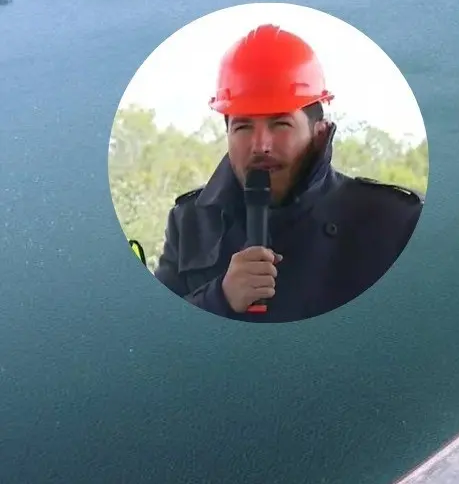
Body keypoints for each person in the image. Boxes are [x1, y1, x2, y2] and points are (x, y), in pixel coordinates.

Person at [153, 23, 424, 322]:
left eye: (280, 124)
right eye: (243, 126)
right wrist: (219, 299)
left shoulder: (393, 220)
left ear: (318, 132)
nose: (260, 145)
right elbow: (156, 340)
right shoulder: (189, 222)